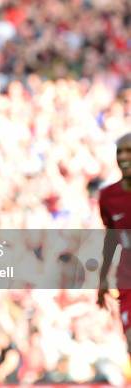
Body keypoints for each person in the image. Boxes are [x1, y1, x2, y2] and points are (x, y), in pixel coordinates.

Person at [97, 132, 131, 366]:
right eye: (120, 151)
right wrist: (102, 279)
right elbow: (110, 240)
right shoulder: (108, 196)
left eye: (129, 151)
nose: (124, 156)